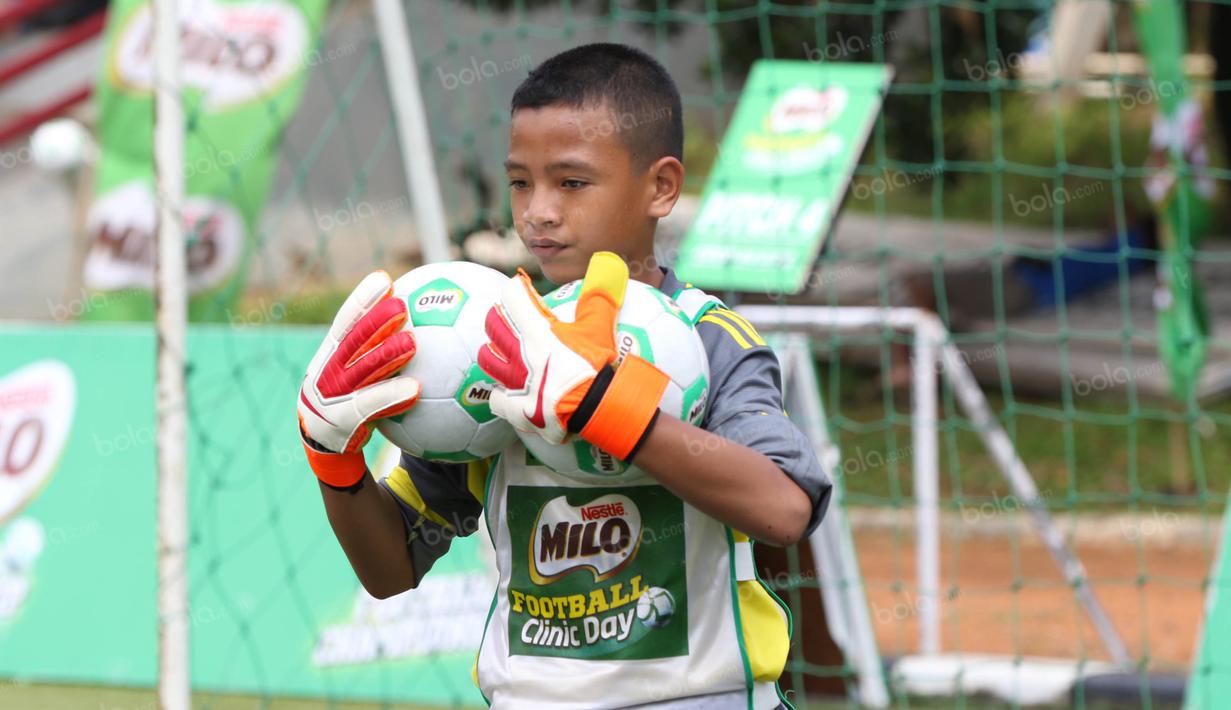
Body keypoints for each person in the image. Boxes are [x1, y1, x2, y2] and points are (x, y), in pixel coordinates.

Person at [296, 43, 831, 709]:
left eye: (571, 183)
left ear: (660, 187)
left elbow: (784, 509)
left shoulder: (707, 334)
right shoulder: (481, 352)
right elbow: (391, 570)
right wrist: (334, 464)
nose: (537, 211)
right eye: (520, 181)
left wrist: (608, 410)